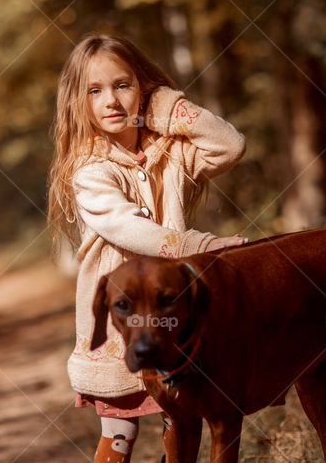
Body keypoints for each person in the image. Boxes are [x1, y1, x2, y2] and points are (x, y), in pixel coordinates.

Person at [46, 33, 248, 462]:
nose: (112, 101)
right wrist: (199, 245)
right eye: (94, 91)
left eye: (123, 85)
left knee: (180, 417)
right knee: (120, 428)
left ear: (143, 88)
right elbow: (129, 229)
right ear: (77, 103)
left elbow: (230, 145)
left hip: (168, 313)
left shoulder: (170, 151)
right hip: (120, 315)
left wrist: (167, 109)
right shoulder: (89, 169)